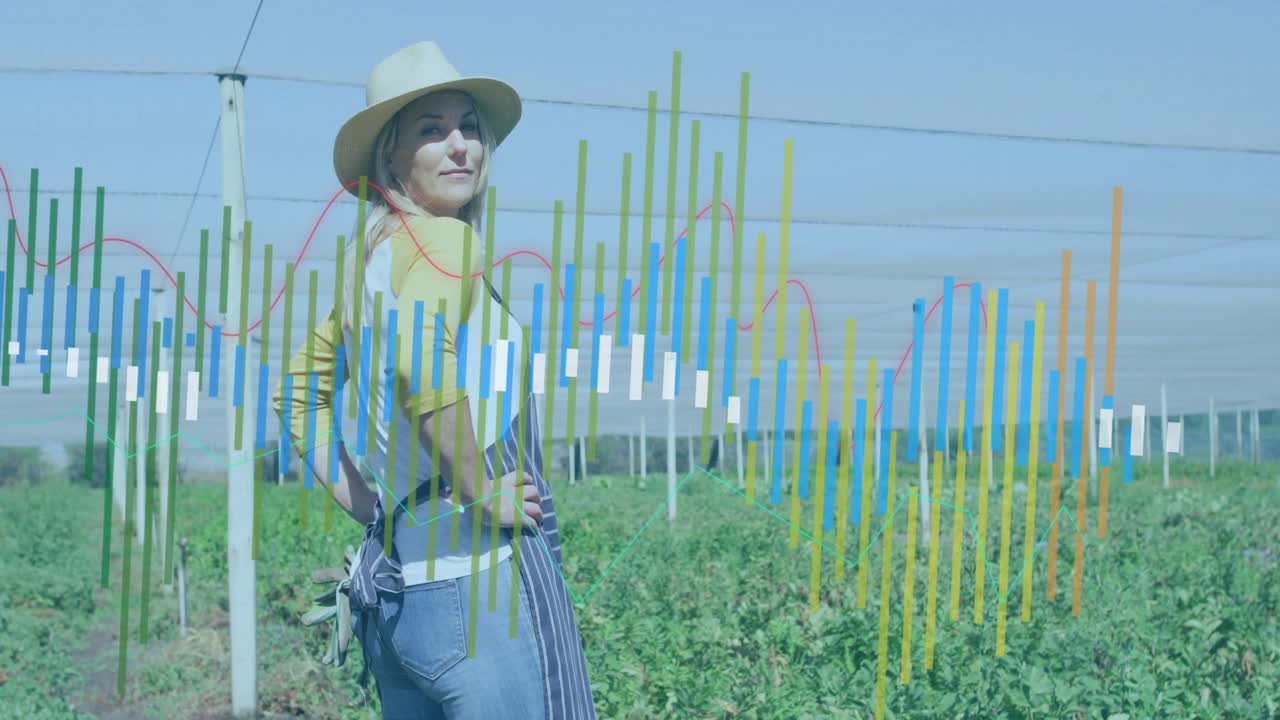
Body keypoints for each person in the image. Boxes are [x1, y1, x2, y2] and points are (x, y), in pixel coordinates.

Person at [271, 40, 597, 719]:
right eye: (431, 130)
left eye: (468, 128)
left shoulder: (374, 265)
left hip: (403, 602)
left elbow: (296, 390)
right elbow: (423, 364)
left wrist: (365, 501)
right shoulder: (449, 243)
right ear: (391, 156)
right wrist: (483, 490)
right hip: (479, 597)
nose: (459, 147)